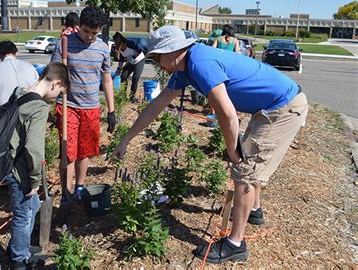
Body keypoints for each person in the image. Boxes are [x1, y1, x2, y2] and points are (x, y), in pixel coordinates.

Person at [112, 26, 308, 264]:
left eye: (157, 56)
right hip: (269, 106)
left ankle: (236, 244)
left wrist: (232, 151)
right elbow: (156, 106)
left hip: (283, 107)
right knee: (250, 161)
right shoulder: (186, 65)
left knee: (244, 170)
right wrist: (127, 138)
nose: (156, 62)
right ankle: (253, 210)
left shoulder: (200, 63)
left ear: (173, 51)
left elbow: (227, 115)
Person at [6, 62, 70, 269]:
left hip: (8, 161)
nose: (57, 97)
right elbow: (34, 148)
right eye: (60, 92)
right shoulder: (39, 106)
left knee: (31, 207)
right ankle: (19, 260)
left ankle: (18, 246)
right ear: (56, 83)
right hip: (20, 169)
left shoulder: (20, 93)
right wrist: (34, 181)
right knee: (23, 215)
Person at [51, 5, 116, 204]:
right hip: (68, 105)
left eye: (94, 33)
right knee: (68, 153)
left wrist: (112, 110)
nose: (89, 36)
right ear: (79, 25)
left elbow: (106, 79)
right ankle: (66, 192)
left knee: (84, 151)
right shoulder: (64, 44)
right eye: (86, 31)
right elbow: (53, 73)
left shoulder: (102, 48)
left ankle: (79, 187)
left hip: (91, 107)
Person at [0, 41, 39, 111]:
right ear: (16, 53)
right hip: (28, 111)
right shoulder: (30, 67)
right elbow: (38, 91)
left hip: (4, 114)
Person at [113, 32, 146, 103]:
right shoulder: (119, 49)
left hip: (139, 60)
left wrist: (132, 57)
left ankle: (132, 97)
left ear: (120, 41)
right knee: (123, 76)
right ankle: (123, 95)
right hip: (131, 62)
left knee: (135, 78)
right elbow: (121, 60)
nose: (115, 43)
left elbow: (139, 51)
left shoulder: (130, 43)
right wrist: (118, 69)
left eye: (116, 41)